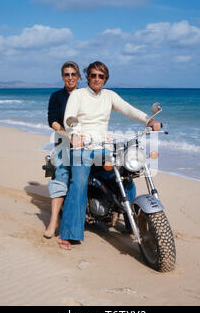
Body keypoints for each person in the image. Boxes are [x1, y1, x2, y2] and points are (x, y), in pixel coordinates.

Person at [58, 61, 161, 250]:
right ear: (88, 77)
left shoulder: (109, 96)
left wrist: (149, 120)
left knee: (126, 175)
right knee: (78, 184)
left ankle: (133, 222)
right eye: (93, 75)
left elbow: (128, 109)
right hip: (82, 147)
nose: (97, 79)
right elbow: (69, 118)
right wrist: (74, 135)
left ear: (106, 79)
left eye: (101, 76)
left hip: (104, 147)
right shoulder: (78, 95)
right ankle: (70, 234)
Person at [44, 61, 81, 239]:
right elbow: (52, 119)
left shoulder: (86, 96)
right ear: (62, 77)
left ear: (79, 76)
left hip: (86, 140)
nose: (70, 78)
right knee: (62, 173)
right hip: (63, 139)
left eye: (73, 74)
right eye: (67, 74)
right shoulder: (56, 96)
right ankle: (53, 221)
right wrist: (65, 134)